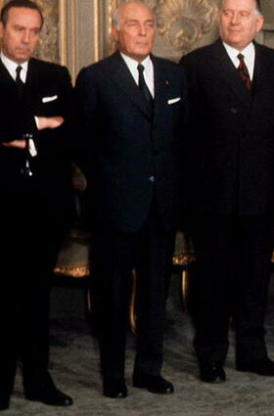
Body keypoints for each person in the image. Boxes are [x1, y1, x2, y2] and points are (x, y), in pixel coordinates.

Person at [75, 0, 188, 398]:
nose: (142, 31)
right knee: (113, 294)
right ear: (116, 31)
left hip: (162, 206)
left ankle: (148, 370)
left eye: (149, 24)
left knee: (156, 293)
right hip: (115, 208)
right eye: (133, 25)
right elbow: (84, 146)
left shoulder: (176, 76)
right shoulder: (95, 78)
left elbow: (181, 142)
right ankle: (113, 375)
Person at [179, 0, 274, 384]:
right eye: (227, 13)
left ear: (258, 23)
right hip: (213, 197)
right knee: (213, 280)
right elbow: (184, 135)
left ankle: (252, 353)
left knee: (255, 279)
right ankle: (210, 355)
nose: (234, 20)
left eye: (243, 14)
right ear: (218, 19)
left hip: (263, 194)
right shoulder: (195, 65)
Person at [0, 0, 74, 410]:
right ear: (1, 29)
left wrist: (19, 132)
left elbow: (74, 133)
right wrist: (42, 124)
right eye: (18, 30)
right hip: (1, 207)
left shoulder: (55, 75)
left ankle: (38, 381)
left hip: (44, 208)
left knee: (36, 298)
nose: (26, 39)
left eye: (34, 31)